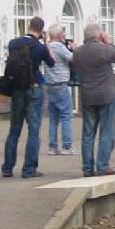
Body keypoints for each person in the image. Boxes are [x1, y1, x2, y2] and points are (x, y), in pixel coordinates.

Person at [1, 15, 54, 179]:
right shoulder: (40, 47)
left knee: (14, 129)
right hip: (34, 88)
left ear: (29, 26)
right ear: (41, 30)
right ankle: (29, 169)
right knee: (33, 130)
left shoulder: (13, 43)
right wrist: (46, 43)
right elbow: (51, 63)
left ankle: (8, 167)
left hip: (17, 88)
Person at [72, 22, 115, 176]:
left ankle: (87, 168)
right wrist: (108, 42)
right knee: (107, 132)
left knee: (88, 133)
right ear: (98, 35)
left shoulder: (78, 52)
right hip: (106, 95)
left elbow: (75, 67)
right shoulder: (104, 49)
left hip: (87, 96)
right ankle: (102, 165)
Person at [43, 24, 74, 156]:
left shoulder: (47, 47)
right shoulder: (59, 47)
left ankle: (52, 146)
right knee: (66, 116)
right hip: (61, 84)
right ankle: (67, 146)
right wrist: (74, 49)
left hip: (50, 84)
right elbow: (73, 58)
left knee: (53, 118)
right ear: (60, 35)